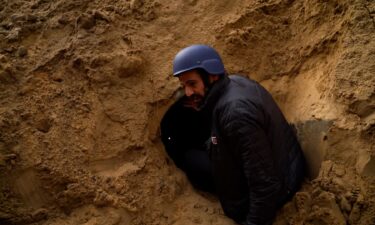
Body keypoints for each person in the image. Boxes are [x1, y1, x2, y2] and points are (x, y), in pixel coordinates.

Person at [161, 44, 306, 225]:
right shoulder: (235, 82)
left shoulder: (236, 114)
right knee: (198, 151)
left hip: (281, 188)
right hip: (285, 166)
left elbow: (264, 184)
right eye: (184, 86)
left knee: (190, 157)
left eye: (192, 84)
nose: (188, 93)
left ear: (211, 75)